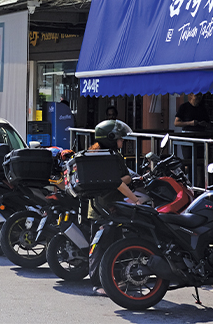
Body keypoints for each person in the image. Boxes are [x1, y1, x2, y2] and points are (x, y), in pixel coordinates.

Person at [87, 118, 140, 295]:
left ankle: (112, 280)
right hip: (107, 208)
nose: (122, 141)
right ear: (110, 138)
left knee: (108, 245)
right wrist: (135, 200)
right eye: (120, 138)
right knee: (105, 246)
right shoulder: (110, 156)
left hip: (99, 207)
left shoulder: (97, 153)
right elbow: (118, 183)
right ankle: (100, 283)